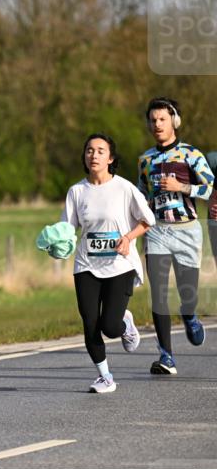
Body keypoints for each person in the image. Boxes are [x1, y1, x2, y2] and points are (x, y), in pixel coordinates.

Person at [62, 134, 154, 393]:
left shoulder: (124, 188)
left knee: (110, 327)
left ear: (110, 158)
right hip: (86, 266)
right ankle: (105, 377)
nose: (94, 155)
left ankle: (124, 322)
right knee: (90, 323)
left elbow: (148, 220)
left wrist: (128, 237)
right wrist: (57, 245)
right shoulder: (77, 191)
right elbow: (67, 230)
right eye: (89, 150)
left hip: (119, 266)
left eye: (101, 151)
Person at [137, 97, 214, 374]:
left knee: (186, 293)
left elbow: (209, 190)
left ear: (174, 122)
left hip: (187, 232)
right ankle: (166, 357)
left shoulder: (191, 155)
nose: (157, 124)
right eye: (153, 120)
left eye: (162, 119)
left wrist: (182, 186)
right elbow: (141, 194)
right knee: (158, 294)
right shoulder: (145, 159)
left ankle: (190, 314)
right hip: (157, 231)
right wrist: (142, 205)